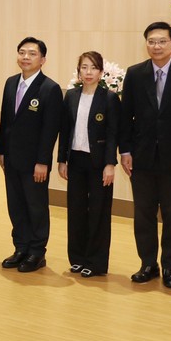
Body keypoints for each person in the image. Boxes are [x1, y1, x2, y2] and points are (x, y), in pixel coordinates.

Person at [119, 21, 171, 289]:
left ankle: (169, 267)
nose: (156, 46)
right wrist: (125, 150)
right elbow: (125, 116)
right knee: (143, 215)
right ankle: (147, 264)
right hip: (141, 158)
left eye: (162, 41)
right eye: (152, 41)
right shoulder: (135, 74)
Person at [0, 37, 63, 273]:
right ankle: (21, 247)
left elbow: (50, 130)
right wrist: (1, 151)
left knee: (36, 207)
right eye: (22, 52)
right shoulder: (11, 83)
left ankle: (37, 252)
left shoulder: (50, 89)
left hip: (35, 162)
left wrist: (43, 161)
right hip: (11, 158)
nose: (26, 57)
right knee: (16, 205)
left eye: (32, 54)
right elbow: (6, 121)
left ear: (42, 60)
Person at [57, 51, 119, 277]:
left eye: (93, 68)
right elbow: (65, 131)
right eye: (84, 67)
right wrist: (62, 160)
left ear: (101, 72)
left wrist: (110, 164)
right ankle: (77, 258)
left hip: (99, 163)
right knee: (76, 211)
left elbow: (113, 134)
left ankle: (96, 262)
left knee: (98, 212)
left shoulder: (109, 98)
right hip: (76, 160)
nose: (88, 72)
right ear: (79, 71)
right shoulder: (71, 96)